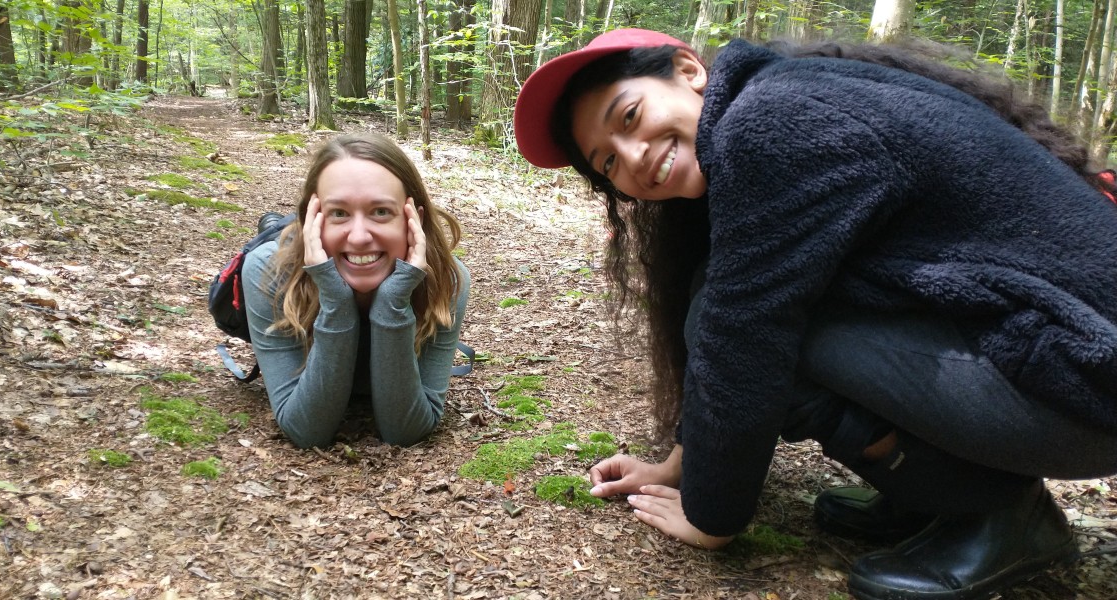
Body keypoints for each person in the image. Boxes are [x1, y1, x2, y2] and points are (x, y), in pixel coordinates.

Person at [513, 28, 1117, 600]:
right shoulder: (781, 100)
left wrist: (710, 515)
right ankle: (939, 490)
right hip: (1067, 362)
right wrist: (680, 462)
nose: (633, 157)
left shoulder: (770, 124)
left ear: (689, 71)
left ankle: (994, 510)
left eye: (629, 117)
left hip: (1087, 383)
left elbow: (742, 333)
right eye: (608, 163)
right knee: (735, 305)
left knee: (756, 332)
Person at [242, 133, 470, 449]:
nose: (360, 236)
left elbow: (405, 431)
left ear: (412, 218)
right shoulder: (266, 273)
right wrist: (335, 299)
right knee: (274, 241)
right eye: (339, 213)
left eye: (380, 211)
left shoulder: (447, 280)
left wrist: (394, 298)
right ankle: (274, 227)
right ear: (313, 220)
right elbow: (305, 430)